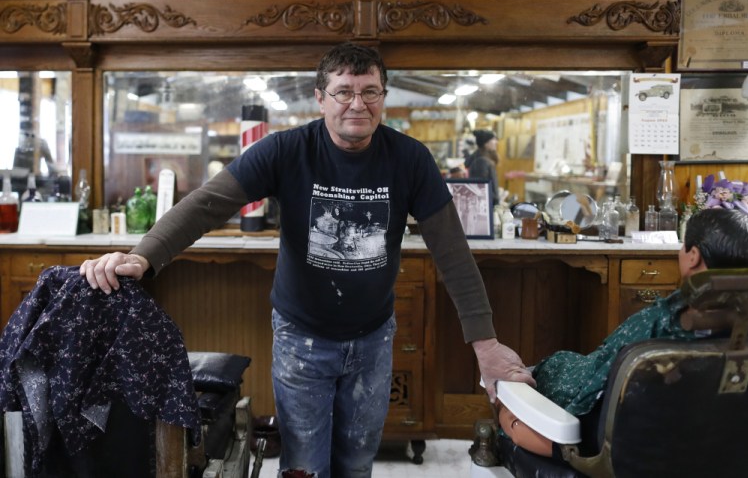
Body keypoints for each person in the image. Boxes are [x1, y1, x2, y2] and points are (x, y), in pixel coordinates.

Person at [80, 42, 534, 478]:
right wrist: (143, 256)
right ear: (321, 98)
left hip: (373, 339)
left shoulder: (410, 158)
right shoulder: (286, 150)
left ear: (383, 97)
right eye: (343, 91)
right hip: (302, 340)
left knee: (357, 465)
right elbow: (207, 204)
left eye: (370, 91)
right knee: (305, 467)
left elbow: (451, 252)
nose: (357, 104)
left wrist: (486, 344)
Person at [498, 207, 748, 459]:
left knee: (527, 385)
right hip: (712, 448)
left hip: (622, 451)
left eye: (683, 246)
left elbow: (589, 399)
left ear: (693, 256)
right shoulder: (739, 333)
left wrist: (511, 413)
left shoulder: (656, 326)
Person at [465, 128, 500, 205]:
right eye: (493, 139)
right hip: (485, 206)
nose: (496, 142)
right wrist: (495, 200)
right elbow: (481, 188)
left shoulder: (483, 159)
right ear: (486, 143)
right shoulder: (481, 162)